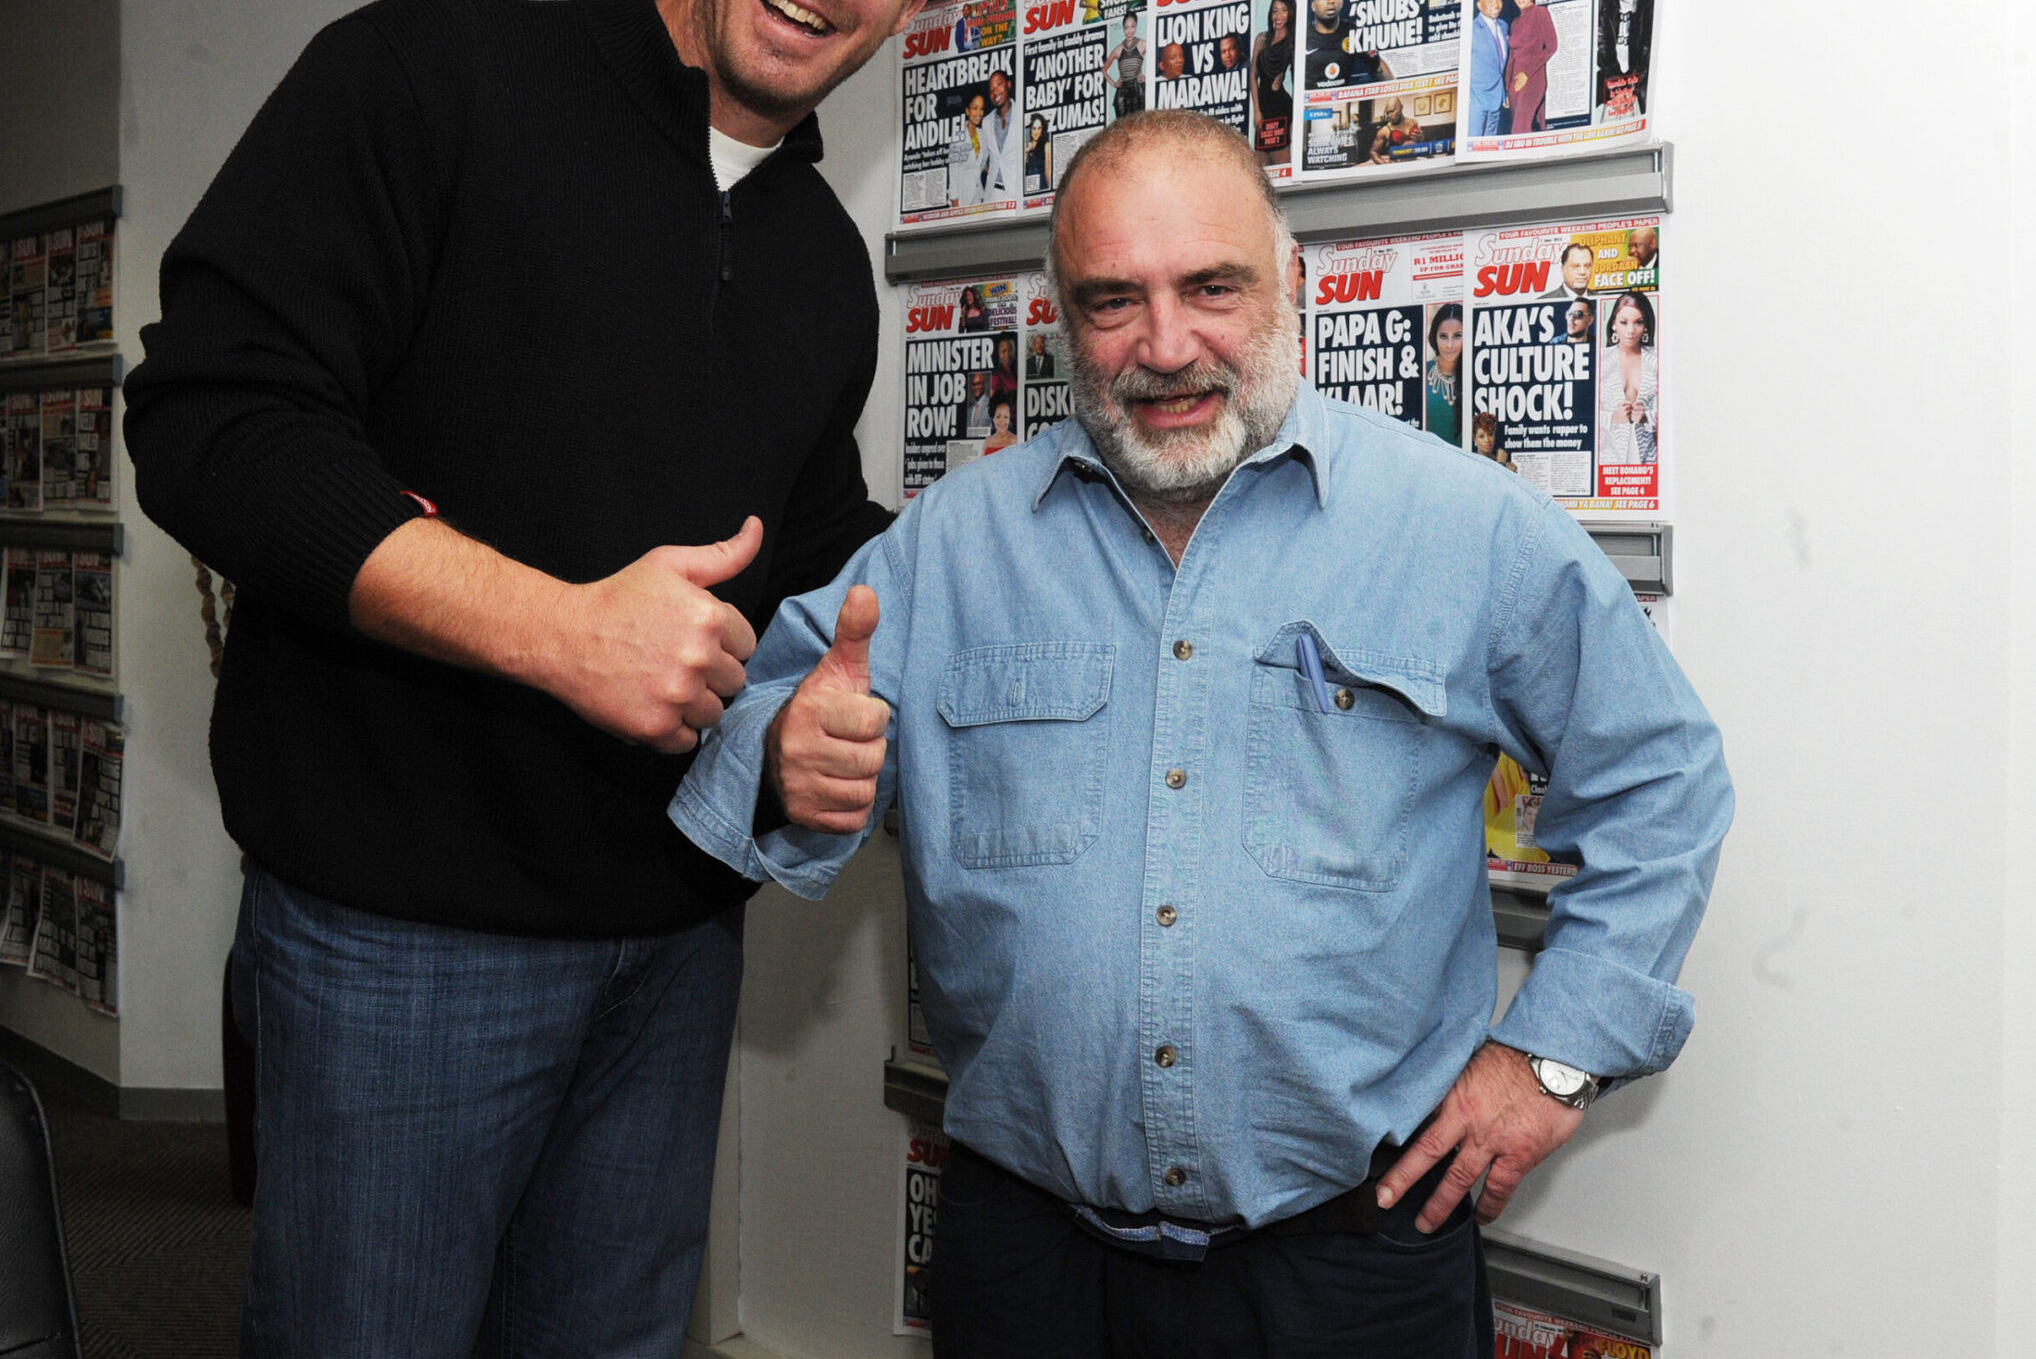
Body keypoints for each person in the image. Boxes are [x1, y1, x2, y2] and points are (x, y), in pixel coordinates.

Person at [121, 0, 971, 1359]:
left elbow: (795, 546)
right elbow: (216, 419)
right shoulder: (431, 74)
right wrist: (552, 629)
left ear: (910, 1)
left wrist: (809, 709)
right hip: (401, 939)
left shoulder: (817, 260)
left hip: (671, 940)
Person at [668, 110, 1730, 1358]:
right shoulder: (952, 545)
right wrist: (782, 759)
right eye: (1112, 300)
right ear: (1063, 318)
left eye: (1211, 286)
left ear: (1295, 283)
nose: (1164, 346)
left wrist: (1551, 1057)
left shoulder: (1462, 529)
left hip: (1355, 1259)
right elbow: (746, 740)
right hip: (1027, 1259)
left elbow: (1659, 775)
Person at [1599, 290, 1658, 467]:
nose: (1631, 330)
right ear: (1613, 324)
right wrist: (1612, 418)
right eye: (1623, 322)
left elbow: (1678, 410)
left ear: (1646, 325)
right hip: (1608, 459)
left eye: (1638, 322)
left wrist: (1647, 417)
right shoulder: (1600, 360)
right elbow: (1581, 416)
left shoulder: (1657, 359)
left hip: (1649, 458)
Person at [1303, 0, 1390, 91]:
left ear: (1342, 1)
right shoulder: (1302, 36)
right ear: (1313, 6)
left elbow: (1379, 67)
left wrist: (1396, 94)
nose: (1331, 1)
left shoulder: (1353, 32)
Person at [1505, 0, 1556, 134]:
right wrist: (1507, 89)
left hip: (1533, 78)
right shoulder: (1515, 23)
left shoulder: (1540, 13)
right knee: (1523, 129)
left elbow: (1552, 46)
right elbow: (1512, 58)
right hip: (1514, 83)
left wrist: (1527, 74)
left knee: (1519, 130)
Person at [1251, 0, 1296, 162]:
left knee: (1282, 166)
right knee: (1261, 171)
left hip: (1281, 108)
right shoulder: (1261, 39)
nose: (1279, 15)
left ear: (1291, 12)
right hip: (1263, 110)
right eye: (1275, 10)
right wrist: (1256, 110)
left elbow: (1298, 79)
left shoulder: (1293, 40)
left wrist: (1295, 119)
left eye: (1284, 10)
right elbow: (1253, 76)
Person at [1468, 0, 1511, 138]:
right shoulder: (1471, 29)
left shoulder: (1504, 26)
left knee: (1489, 145)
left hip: (1497, 98)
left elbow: (1501, 64)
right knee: (1473, 141)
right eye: (1490, 0)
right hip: (1476, 98)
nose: (1496, 4)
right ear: (1479, 5)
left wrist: (1504, 92)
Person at [1425, 299, 1462, 446]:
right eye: (1443, 336)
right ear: (1435, 336)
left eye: (1457, 336)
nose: (1449, 345)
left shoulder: (1477, 377)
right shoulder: (1420, 373)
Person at [982, 67, 1018, 202]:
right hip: (993, 194)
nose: (995, 91)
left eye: (999, 85)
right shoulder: (986, 122)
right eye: (991, 89)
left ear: (1008, 85)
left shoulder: (1022, 113)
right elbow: (983, 158)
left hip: (1016, 191)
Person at [950, 90, 991, 207]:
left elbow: (981, 164)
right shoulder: (958, 137)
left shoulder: (983, 135)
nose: (979, 113)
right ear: (967, 110)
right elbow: (953, 175)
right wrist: (956, 207)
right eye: (975, 108)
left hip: (979, 197)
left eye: (982, 108)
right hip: (963, 200)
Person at [1106, 9, 1148, 117]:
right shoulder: (1118, 49)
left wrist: (1147, 78)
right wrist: (1114, 83)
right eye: (1126, 28)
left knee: (1140, 123)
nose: (1129, 31)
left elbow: (1158, 57)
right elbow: (1104, 70)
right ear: (1123, 29)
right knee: (1123, 128)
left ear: (1136, 26)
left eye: (1132, 27)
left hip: (1138, 89)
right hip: (1123, 93)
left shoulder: (1142, 44)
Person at [1023, 113, 1054, 195]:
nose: (1036, 132)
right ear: (1030, 130)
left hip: (1041, 188)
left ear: (1042, 129)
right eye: (1034, 128)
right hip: (1028, 188)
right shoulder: (1026, 146)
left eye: (1039, 128)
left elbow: (1048, 171)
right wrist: (1026, 153)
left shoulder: (1046, 145)